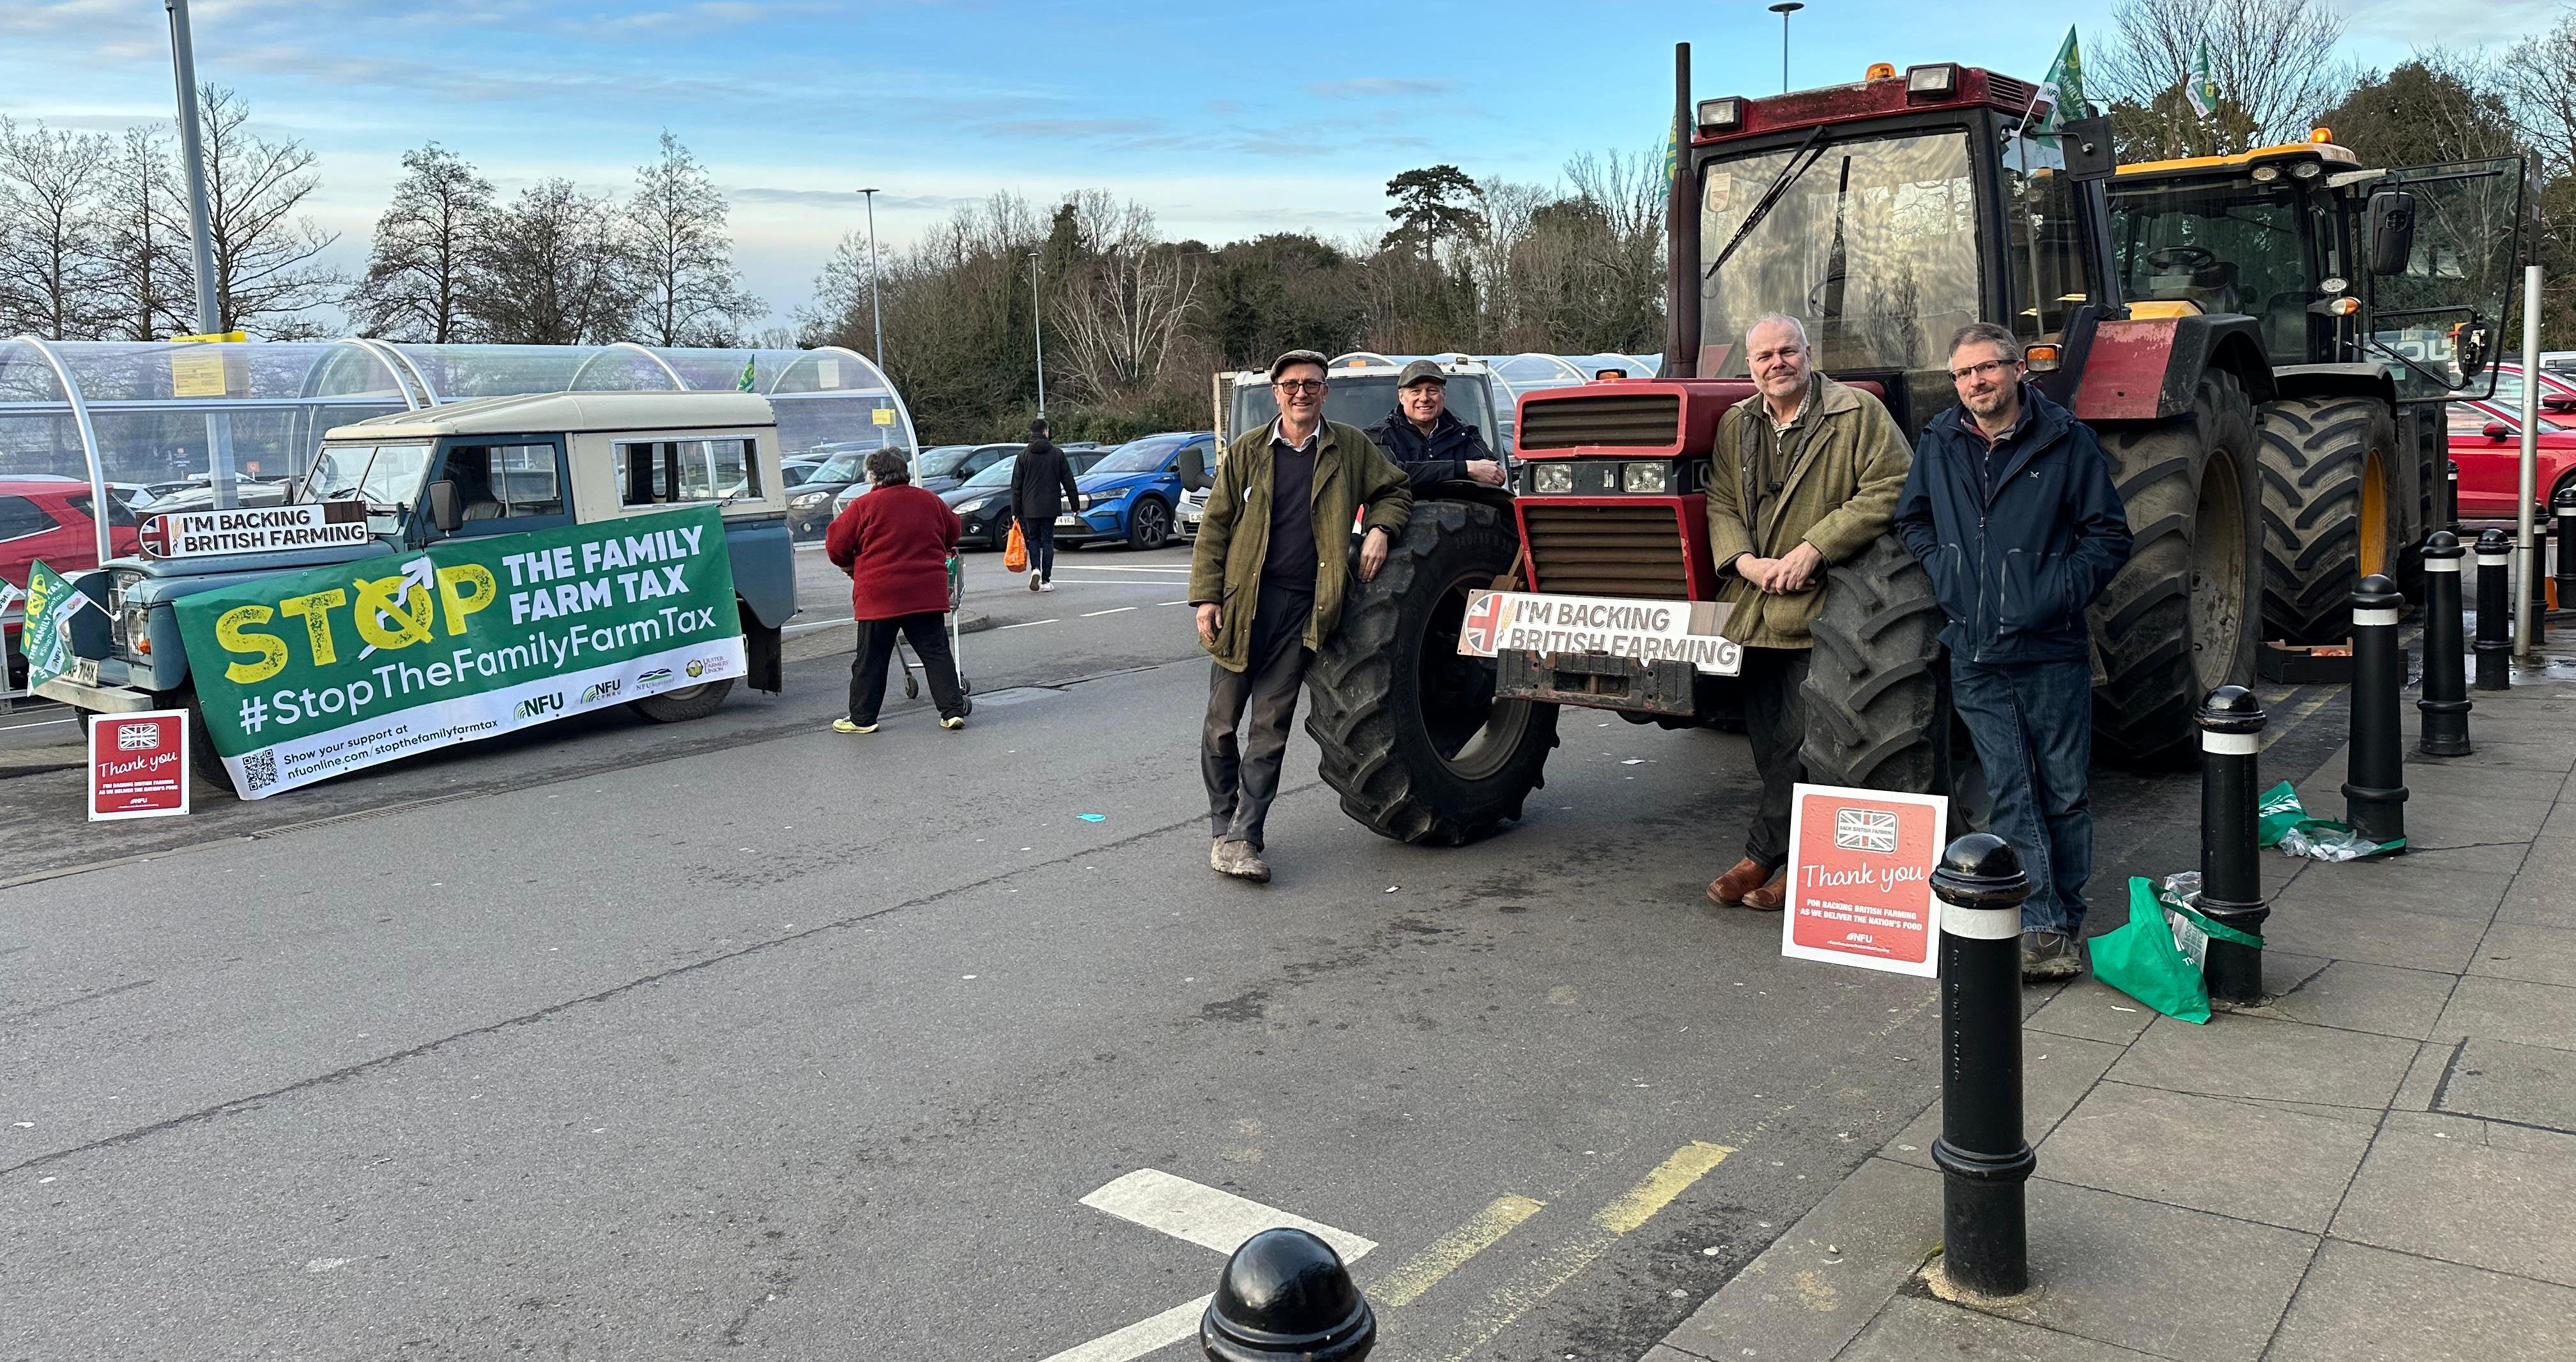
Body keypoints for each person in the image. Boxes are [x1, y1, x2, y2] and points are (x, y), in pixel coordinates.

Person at [1896, 322, 2133, 981]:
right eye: (1965, 373)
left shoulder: (2066, 440)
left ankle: (2062, 913)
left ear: (2017, 370)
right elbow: (1912, 516)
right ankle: (2042, 925)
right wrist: (1943, 569)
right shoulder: (1941, 442)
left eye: (1989, 368)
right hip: (1974, 648)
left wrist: (2053, 591)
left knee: (2062, 790)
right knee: (2012, 787)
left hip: (2050, 646)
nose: (1977, 381)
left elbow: (2109, 536)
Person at [1703, 314, 1912, 912]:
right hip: (1757, 604)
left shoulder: (1857, 413)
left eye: (1787, 351)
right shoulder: (1736, 424)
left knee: (1815, 741)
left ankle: (1803, 864)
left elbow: (1891, 487)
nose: (1777, 364)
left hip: (1833, 601)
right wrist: (1742, 562)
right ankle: (1768, 853)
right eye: (1765, 356)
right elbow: (1721, 501)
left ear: (1808, 353)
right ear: (1751, 366)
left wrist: (1814, 548)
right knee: (1771, 740)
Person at [1191, 349, 1414, 883]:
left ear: (1324, 392)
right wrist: (1206, 598)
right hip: (1246, 607)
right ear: (1277, 393)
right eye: (1291, 384)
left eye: (1311, 384)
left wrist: (1381, 529)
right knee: (1221, 726)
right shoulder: (1247, 452)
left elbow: (1396, 489)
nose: (1301, 393)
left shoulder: (1349, 448)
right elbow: (1214, 528)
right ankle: (1223, 826)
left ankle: (1246, 836)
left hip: (1304, 611)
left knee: (1270, 729)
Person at [824, 448, 969, 733]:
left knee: (871, 659)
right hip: (925, 593)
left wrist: (850, 566)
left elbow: (836, 544)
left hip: (879, 594)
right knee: (936, 652)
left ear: (874, 475)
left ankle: (862, 719)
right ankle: (952, 710)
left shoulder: (864, 505)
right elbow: (953, 531)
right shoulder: (930, 501)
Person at [1363, 360, 1506, 489]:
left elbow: (1494, 474)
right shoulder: (1379, 435)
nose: (1424, 398)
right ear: (1402, 397)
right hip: (1401, 515)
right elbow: (1390, 474)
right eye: (1416, 392)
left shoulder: (1465, 435)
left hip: (1459, 515)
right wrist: (1464, 469)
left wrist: (1421, 476)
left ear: (1443, 396)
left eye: (1432, 391)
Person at [1011, 418, 1082, 591]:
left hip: (1030, 506)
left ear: (1031, 432)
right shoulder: (1057, 454)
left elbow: (1016, 486)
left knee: (1033, 539)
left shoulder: (1023, 456)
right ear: (1045, 432)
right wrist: (1075, 505)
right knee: (1048, 541)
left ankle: (1036, 569)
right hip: (1050, 505)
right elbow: (1068, 481)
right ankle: (1046, 580)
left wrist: (1015, 510)